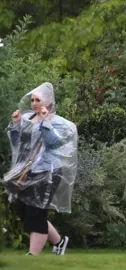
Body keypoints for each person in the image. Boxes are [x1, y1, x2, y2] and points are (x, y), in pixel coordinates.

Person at [3, 82, 78, 255]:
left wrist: (45, 122)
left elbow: (53, 143)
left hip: (48, 172)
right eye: (32, 100)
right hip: (28, 172)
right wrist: (15, 125)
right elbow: (17, 143)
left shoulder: (60, 123)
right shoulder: (28, 119)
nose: (34, 103)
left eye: (38, 100)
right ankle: (59, 241)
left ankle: (33, 254)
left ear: (48, 101)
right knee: (25, 210)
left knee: (35, 211)